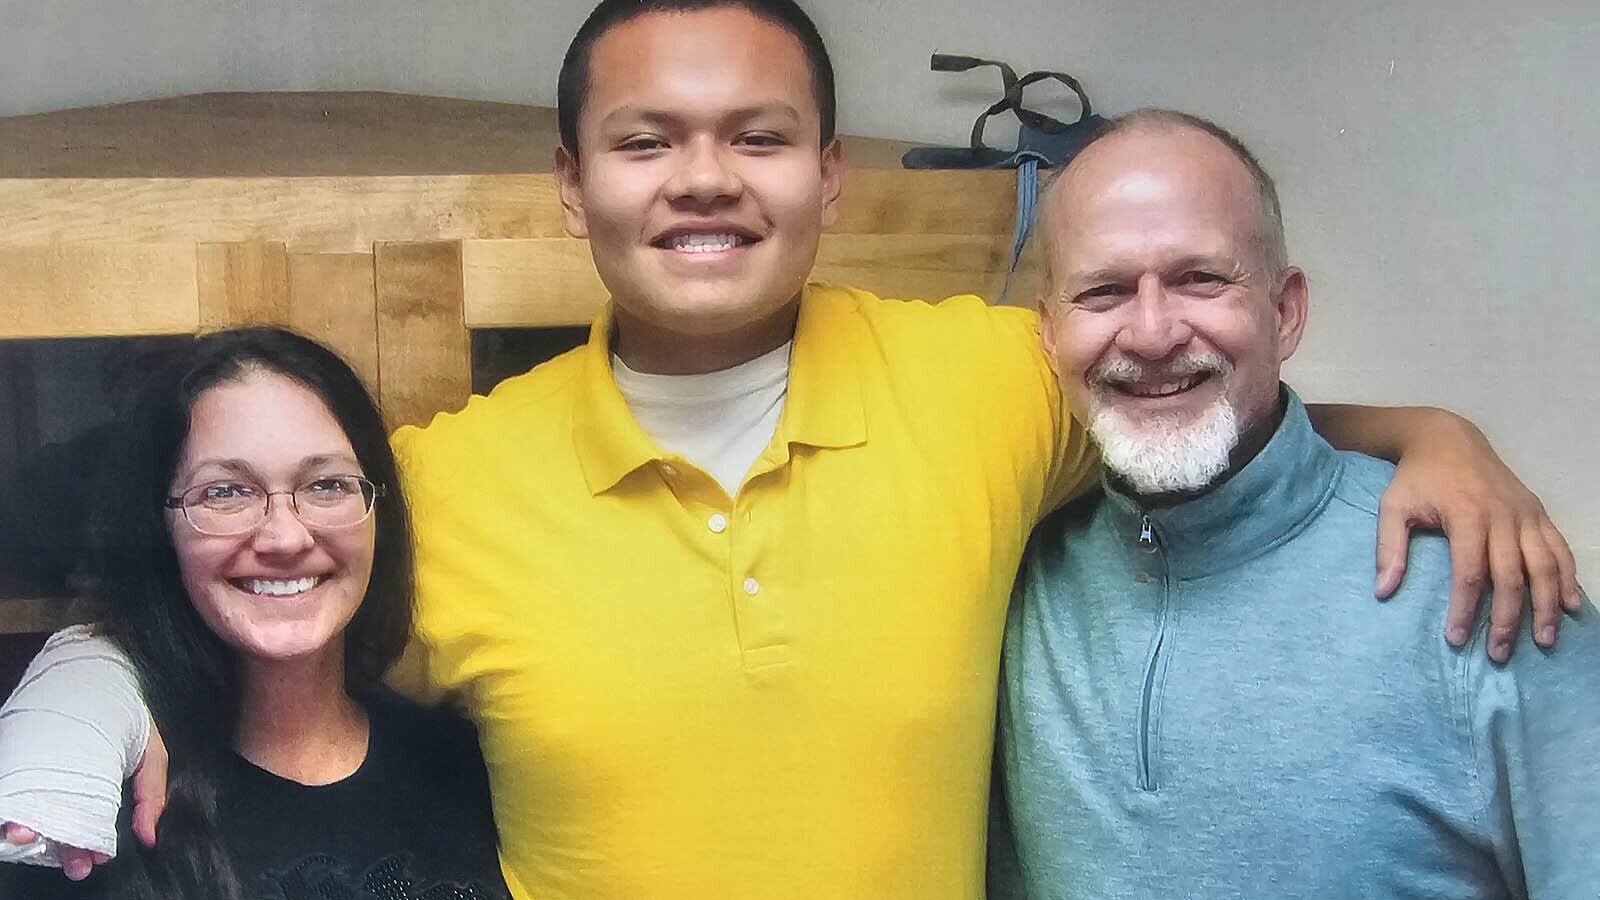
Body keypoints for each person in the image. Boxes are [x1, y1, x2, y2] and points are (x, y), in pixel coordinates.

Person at [1, 3, 1582, 897]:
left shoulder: (990, 382)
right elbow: (242, 567)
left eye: (757, 137)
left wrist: (1433, 437)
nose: (705, 181)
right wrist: (76, 684)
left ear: (829, 177)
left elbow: (1187, 403)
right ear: (572, 185)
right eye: (646, 141)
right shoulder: (457, 478)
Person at [989, 110, 1597, 898]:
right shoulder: (1016, 579)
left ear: (1285, 312)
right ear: (1049, 336)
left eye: (1199, 278)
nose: (1150, 332)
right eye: (1103, 292)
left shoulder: (1484, 574)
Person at [0, 329, 510, 900]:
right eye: (225, 493)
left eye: (326, 484)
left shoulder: (470, 762)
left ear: (377, 514)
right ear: (161, 527)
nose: (286, 536)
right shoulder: (86, 798)